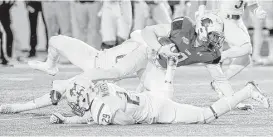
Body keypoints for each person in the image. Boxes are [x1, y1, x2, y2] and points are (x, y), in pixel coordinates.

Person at [0, 13, 225, 114]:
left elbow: (218, 75)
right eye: (214, 34)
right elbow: (145, 34)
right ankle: (33, 93)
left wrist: (227, 96)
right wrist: (158, 47)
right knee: (78, 69)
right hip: (112, 60)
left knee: (163, 104)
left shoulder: (209, 52)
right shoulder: (178, 29)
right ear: (203, 29)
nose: (216, 40)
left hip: (147, 66)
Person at [49, 75, 269, 125]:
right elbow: (94, 111)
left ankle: (247, 91)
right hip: (151, 98)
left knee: (205, 116)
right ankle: (242, 94)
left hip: (158, 110)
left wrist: (103, 119)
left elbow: (125, 121)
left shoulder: (99, 108)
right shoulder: (103, 87)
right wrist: (67, 121)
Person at [197, 0, 267, 110]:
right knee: (246, 48)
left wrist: (257, 10)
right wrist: (201, 10)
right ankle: (221, 58)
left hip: (237, 20)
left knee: (245, 59)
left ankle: (219, 83)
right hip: (223, 19)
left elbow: (252, 3)